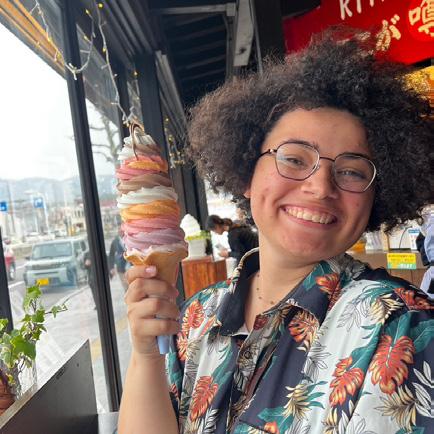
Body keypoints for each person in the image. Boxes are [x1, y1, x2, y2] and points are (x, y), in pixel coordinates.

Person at [118, 29, 434, 433]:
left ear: (377, 196)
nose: (320, 187)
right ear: (247, 174)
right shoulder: (196, 316)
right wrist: (145, 355)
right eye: (295, 159)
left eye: (352, 171)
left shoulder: (402, 326)